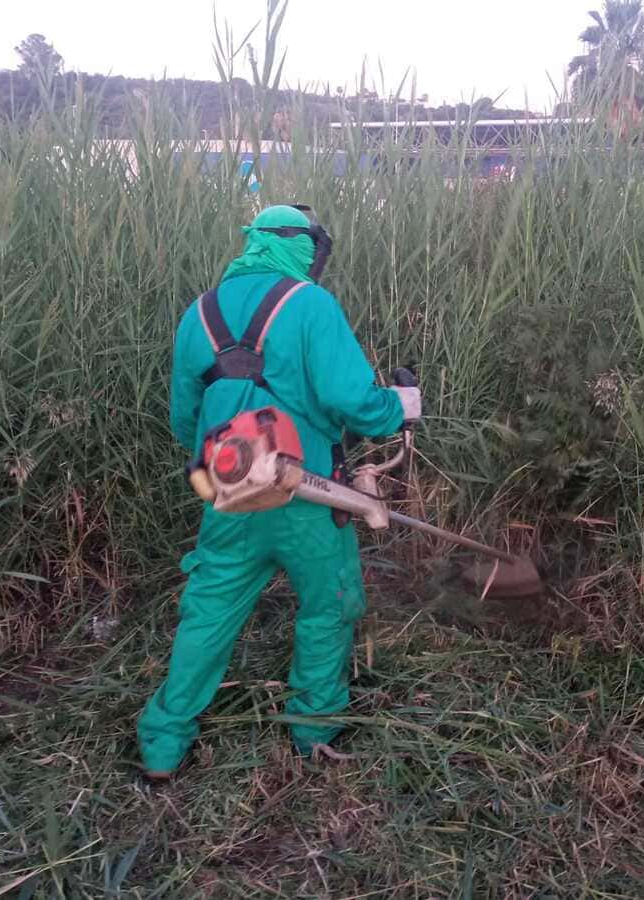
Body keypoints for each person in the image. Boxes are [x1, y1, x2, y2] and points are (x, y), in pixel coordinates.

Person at [137, 204, 420, 777]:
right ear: (302, 247)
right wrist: (400, 407)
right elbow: (351, 400)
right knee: (328, 606)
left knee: (209, 609)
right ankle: (314, 732)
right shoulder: (309, 304)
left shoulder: (200, 313)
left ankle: (162, 743)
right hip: (311, 497)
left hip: (231, 495)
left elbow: (184, 420)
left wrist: (233, 461)